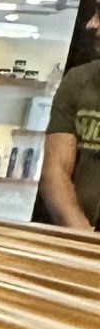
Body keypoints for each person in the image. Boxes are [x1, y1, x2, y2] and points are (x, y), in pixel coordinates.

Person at [40, 49, 100, 233]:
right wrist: (84, 237)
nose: (96, 34)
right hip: (82, 235)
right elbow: (54, 170)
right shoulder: (79, 80)